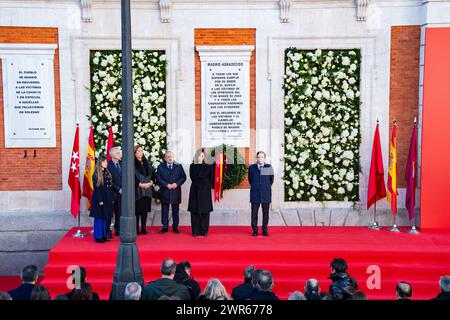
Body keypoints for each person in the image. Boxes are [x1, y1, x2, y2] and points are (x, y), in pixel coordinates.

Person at [156, 151, 186, 234]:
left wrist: (177, 184)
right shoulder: (160, 167)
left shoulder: (179, 166)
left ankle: (175, 227)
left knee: (175, 210)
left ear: (173, 157)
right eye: (168, 157)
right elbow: (158, 178)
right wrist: (166, 184)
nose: (170, 158)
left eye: (171, 156)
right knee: (164, 210)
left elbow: (183, 177)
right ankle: (165, 227)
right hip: (165, 191)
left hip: (175, 191)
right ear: (165, 158)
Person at [188, 148, 214, 237]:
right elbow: (192, 177)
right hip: (195, 190)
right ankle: (195, 231)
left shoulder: (209, 167)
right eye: (199, 155)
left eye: (202, 156)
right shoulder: (192, 166)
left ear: (204, 157)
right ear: (196, 156)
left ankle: (204, 230)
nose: (200, 157)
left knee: (205, 211)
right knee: (194, 211)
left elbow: (211, 179)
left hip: (205, 191)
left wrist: (205, 184)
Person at [248, 151, 274, 236]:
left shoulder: (268, 167)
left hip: (266, 194)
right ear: (256, 158)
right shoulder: (252, 168)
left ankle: (264, 230)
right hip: (255, 193)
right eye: (259, 157)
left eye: (262, 157)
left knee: (265, 213)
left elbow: (271, 180)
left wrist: (264, 187)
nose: (260, 158)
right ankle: (255, 230)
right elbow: (250, 180)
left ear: (264, 158)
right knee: (254, 213)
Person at [89, 155, 114, 243]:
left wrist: (111, 198)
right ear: (100, 163)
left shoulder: (107, 172)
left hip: (107, 199)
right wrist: (100, 200)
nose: (106, 163)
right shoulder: (96, 174)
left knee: (105, 218)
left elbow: (109, 187)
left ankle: (103, 235)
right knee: (99, 218)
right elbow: (97, 189)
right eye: (104, 162)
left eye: (106, 161)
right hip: (99, 200)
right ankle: (98, 237)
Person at [134, 145, 154, 235]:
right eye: (138, 151)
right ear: (134, 152)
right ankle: (136, 229)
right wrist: (140, 184)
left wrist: (150, 183)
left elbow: (153, 175)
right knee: (138, 210)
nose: (140, 152)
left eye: (141, 151)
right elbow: (132, 176)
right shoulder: (132, 163)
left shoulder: (147, 162)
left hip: (148, 190)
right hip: (138, 189)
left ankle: (143, 228)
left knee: (145, 210)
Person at [108, 147, 122, 237]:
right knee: (109, 213)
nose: (120, 155)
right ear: (113, 155)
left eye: (119, 153)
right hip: (112, 193)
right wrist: (118, 189)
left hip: (121, 194)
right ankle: (108, 231)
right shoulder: (108, 165)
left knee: (119, 212)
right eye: (117, 153)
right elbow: (109, 179)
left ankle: (118, 230)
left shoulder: (122, 164)